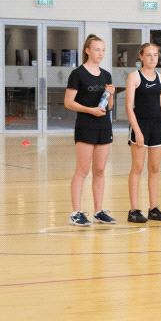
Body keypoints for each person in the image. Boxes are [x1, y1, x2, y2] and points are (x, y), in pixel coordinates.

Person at [65, 35, 117, 226]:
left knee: (100, 170)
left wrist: (111, 95)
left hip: (104, 126)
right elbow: (68, 102)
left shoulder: (106, 75)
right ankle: (76, 213)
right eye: (97, 50)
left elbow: (109, 106)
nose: (101, 53)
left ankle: (98, 211)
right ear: (87, 50)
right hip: (86, 125)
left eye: (103, 50)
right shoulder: (77, 74)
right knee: (83, 170)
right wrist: (90, 110)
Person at [125, 43, 161, 223]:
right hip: (140, 124)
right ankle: (134, 210)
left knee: (155, 168)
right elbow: (129, 107)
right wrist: (137, 131)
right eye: (149, 55)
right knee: (138, 168)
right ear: (141, 56)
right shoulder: (134, 77)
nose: (152, 58)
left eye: (155, 55)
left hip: (157, 125)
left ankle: (154, 209)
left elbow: (159, 104)